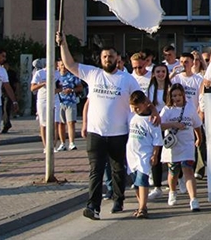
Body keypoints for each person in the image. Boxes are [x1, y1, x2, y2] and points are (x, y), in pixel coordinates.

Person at [57, 31, 149, 220]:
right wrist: (63, 44)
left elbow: (141, 100)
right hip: (95, 132)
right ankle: (93, 207)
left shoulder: (126, 79)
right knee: (96, 170)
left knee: (118, 169)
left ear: (117, 59)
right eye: (105, 56)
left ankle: (118, 199)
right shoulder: (92, 74)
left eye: (111, 56)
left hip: (119, 132)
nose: (108, 59)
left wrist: (152, 114)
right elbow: (70, 64)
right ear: (101, 59)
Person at [161, 83, 202, 212]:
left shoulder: (190, 107)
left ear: (183, 95)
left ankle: (193, 199)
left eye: (179, 95)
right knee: (173, 172)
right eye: (174, 95)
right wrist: (173, 124)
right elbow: (159, 125)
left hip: (187, 144)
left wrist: (199, 138)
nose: (177, 98)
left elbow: (197, 124)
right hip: (173, 146)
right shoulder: (167, 110)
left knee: (188, 170)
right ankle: (172, 191)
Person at [127, 90, 162, 219]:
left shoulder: (152, 120)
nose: (135, 109)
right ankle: (141, 204)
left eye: (138, 107)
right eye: (133, 107)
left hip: (144, 154)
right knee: (136, 182)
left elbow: (157, 141)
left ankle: (142, 208)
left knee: (142, 180)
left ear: (145, 104)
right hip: (131, 154)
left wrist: (155, 154)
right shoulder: (132, 116)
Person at [145, 63, 171, 200]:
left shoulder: (170, 87)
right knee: (156, 155)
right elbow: (149, 105)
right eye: (158, 72)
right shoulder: (151, 88)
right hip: (156, 125)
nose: (161, 74)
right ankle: (157, 186)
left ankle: (178, 179)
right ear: (154, 74)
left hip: (168, 124)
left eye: (163, 71)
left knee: (171, 155)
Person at [31, 58, 64, 152]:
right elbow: (32, 88)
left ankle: (53, 146)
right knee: (44, 124)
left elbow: (60, 88)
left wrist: (54, 90)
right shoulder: (40, 73)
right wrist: (43, 84)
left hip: (55, 99)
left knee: (56, 122)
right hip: (43, 100)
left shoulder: (57, 73)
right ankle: (46, 146)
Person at [57, 58, 83, 151]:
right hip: (59, 102)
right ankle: (62, 143)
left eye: (64, 65)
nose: (63, 67)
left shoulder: (72, 76)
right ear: (58, 66)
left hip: (70, 101)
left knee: (71, 122)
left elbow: (80, 87)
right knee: (61, 123)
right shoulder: (56, 77)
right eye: (61, 65)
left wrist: (72, 90)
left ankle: (72, 142)